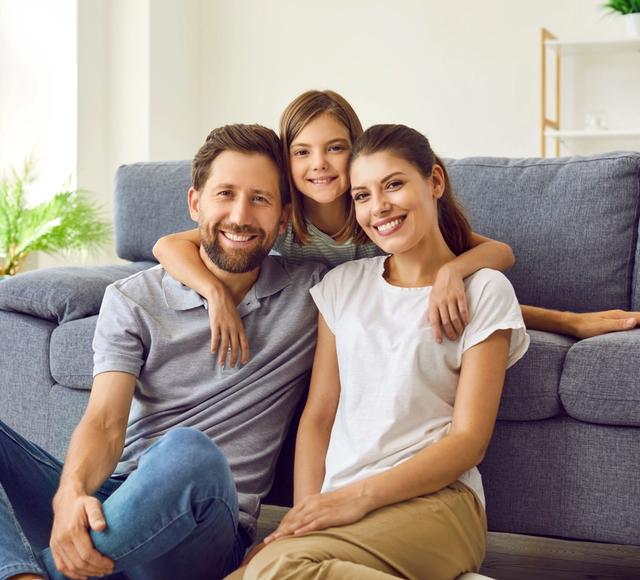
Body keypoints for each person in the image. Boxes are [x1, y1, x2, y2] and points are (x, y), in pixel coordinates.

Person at [0, 124, 326, 580]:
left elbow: (390, 239)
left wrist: (460, 269)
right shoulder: (132, 298)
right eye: (225, 194)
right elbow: (105, 422)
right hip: (118, 498)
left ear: (284, 215)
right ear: (195, 203)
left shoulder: (312, 293)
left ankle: (49, 570)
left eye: (260, 199)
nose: (240, 215)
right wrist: (71, 493)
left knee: (189, 450)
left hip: (208, 523)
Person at [229, 124, 530, 579]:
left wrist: (358, 498)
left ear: (434, 181)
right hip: (340, 502)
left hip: (439, 503)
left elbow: (469, 441)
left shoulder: (485, 290)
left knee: (278, 572)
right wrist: (307, 513)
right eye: (362, 195)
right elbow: (319, 416)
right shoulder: (341, 287)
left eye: (393, 184)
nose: (379, 207)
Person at [153, 90, 640, 365]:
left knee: (443, 291)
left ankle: (568, 320)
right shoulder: (280, 219)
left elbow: (500, 253)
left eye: (336, 148)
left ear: (358, 151)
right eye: (302, 152)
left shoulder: (378, 216)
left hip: (394, 306)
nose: (319, 165)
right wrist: (215, 295)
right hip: (327, 320)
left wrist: (452, 272)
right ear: (288, 159)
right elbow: (167, 244)